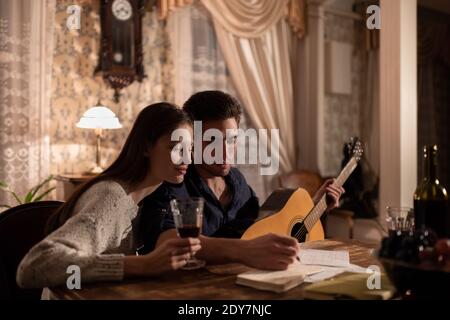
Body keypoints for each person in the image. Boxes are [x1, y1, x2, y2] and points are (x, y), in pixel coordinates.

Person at [139, 91, 344, 270]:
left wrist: (315, 206)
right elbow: (167, 241)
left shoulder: (236, 180)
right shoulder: (173, 180)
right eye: (213, 141)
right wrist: (244, 250)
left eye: (232, 140)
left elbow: (263, 225)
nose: (225, 151)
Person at [16, 103, 200, 297]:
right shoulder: (111, 198)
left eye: (191, 149)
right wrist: (144, 264)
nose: (187, 158)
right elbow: (33, 267)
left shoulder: (148, 199)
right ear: (146, 147)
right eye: (176, 148)